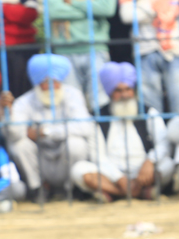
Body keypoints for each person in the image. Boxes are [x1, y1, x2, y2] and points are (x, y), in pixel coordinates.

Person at [70, 61, 173, 201]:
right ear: (110, 92)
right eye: (118, 91)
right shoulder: (98, 117)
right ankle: (136, 193)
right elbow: (98, 156)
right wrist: (119, 178)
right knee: (79, 170)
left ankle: (115, 193)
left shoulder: (149, 112)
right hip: (110, 174)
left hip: (143, 173)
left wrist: (150, 162)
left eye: (128, 89)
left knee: (168, 165)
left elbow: (163, 143)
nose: (125, 95)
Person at [5, 53, 94, 198]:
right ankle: (38, 188)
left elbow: (85, 127)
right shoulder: (24, 101)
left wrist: (46, 132)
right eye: (47, 82)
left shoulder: (73, 95)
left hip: (65, 157)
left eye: (56, 82)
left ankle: (71, 188)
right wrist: (9, 114)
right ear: (38, 82)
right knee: (19, 145)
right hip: (41, 159)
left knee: (77, 144)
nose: (53, 87)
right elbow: (14, 135)